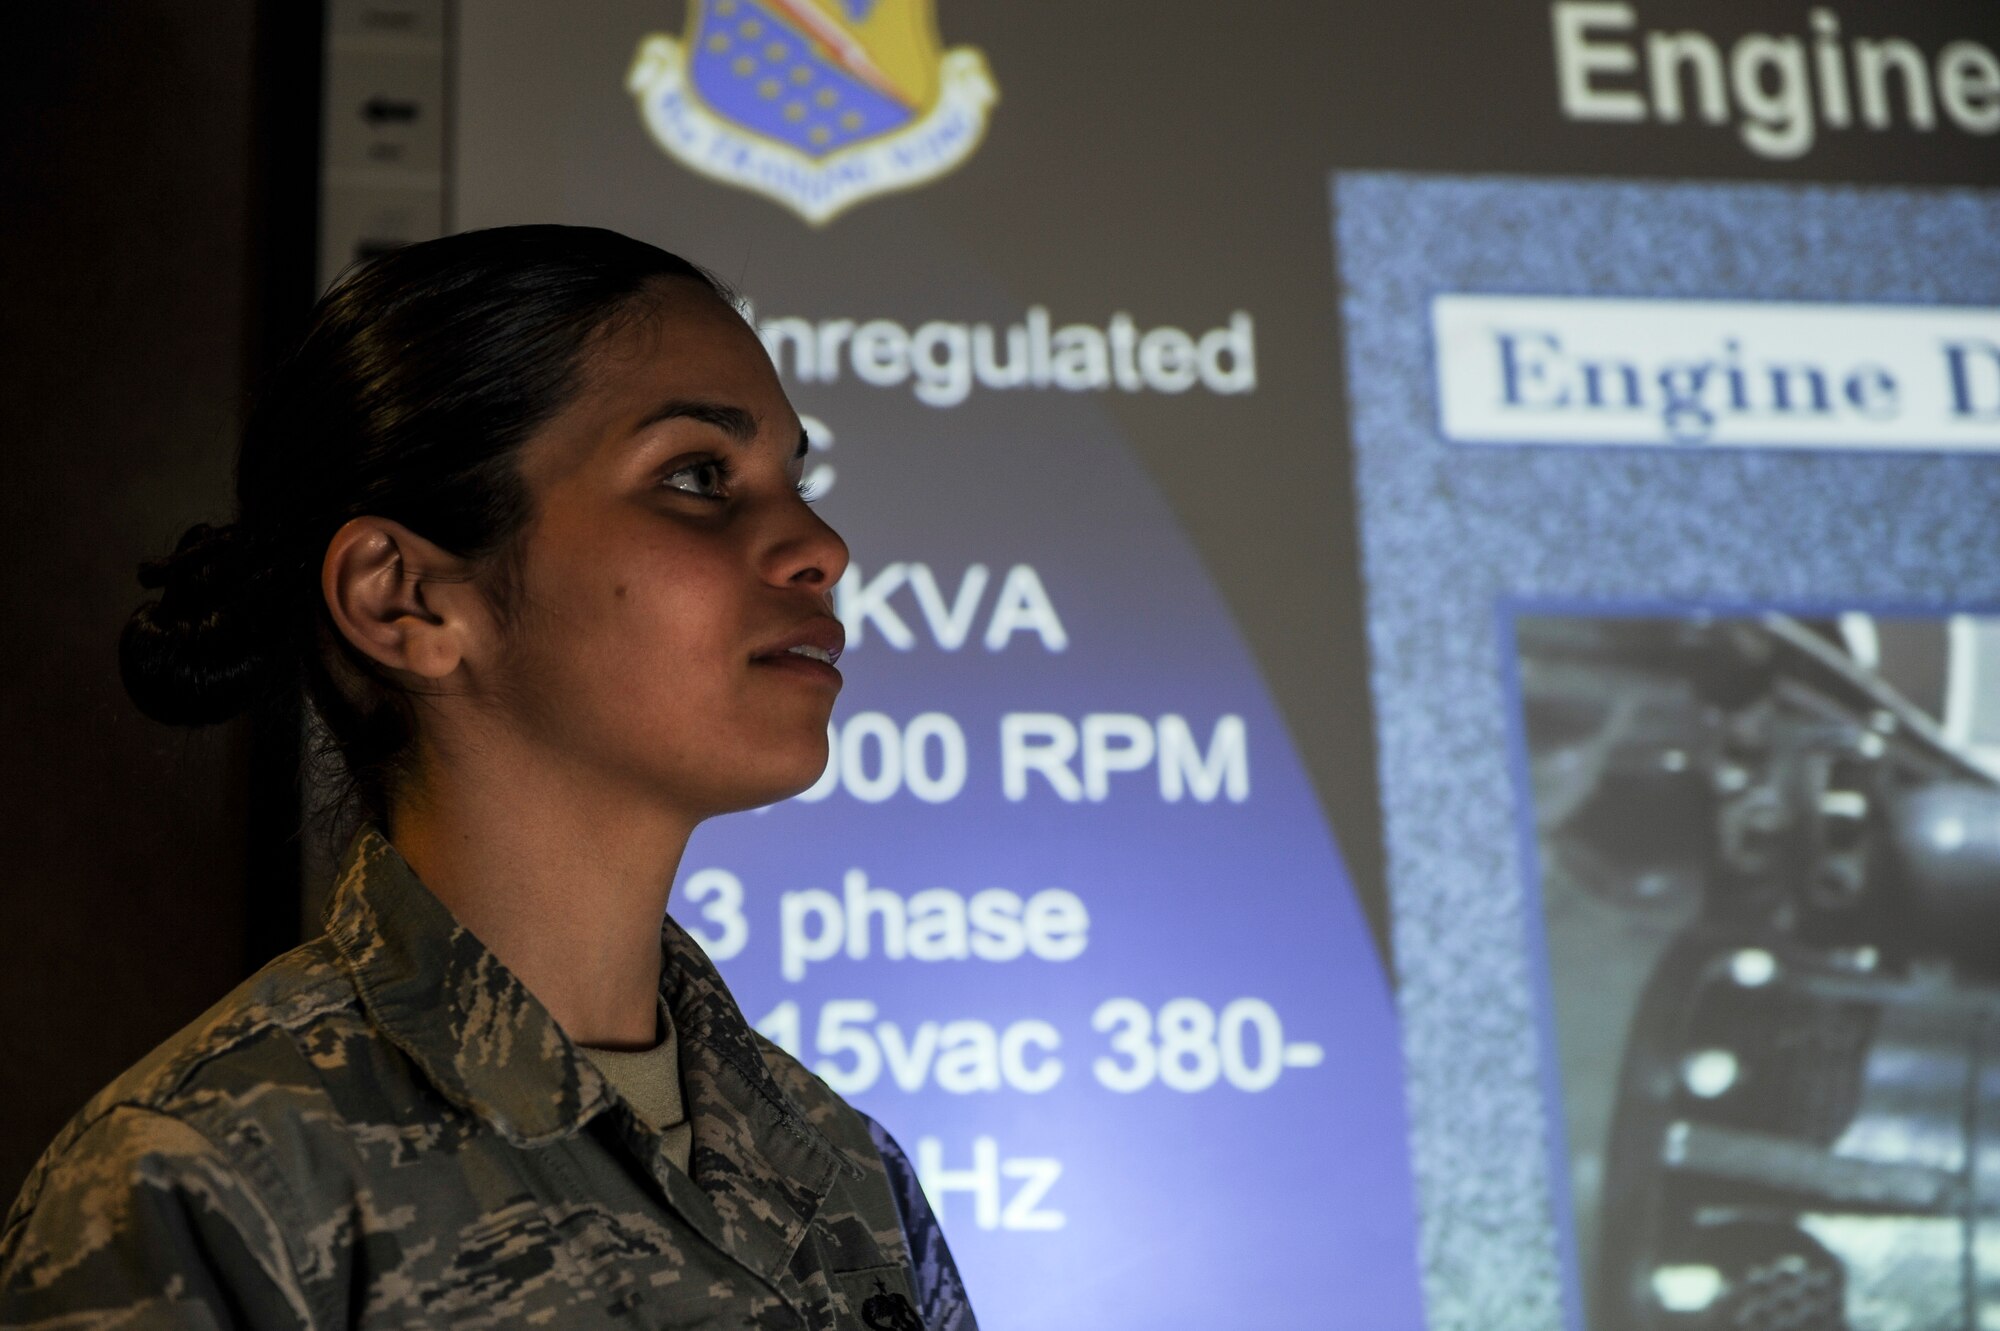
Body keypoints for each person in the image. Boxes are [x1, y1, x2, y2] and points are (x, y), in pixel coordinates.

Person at [0, 226, 975, 1330]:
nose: (820, 544)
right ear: (404, 597)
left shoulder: (850, 1173)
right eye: (699, 475)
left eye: (797, 477)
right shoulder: (207, 1176)